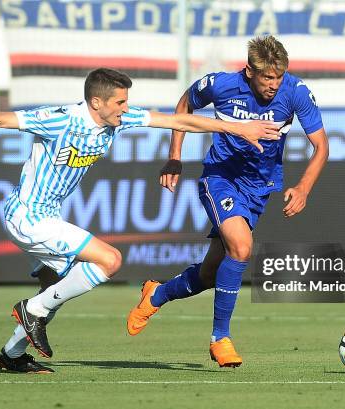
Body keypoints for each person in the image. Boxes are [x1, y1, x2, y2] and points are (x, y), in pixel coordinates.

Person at [0, 68, 280, 374]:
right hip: (27, 216)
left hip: (48, 216)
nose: (126, 109)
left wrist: (237, 128)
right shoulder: (60, 119)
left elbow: (180, 120)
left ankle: (12, 354)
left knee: (57, 287)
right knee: (109, 260)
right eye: (120, 102)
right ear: (96, 103)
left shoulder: (118, 120)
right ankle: (31, 311)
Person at [126, 36, 329, 367]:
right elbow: (184, 106)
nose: (273, 85)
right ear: (249, 71)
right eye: (267, 78)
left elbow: (321, 147)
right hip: (220, 178)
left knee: (209, 274)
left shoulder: (296, 92)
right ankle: (220, 337)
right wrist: (175, 156)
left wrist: (304, 188)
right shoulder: (220, 85)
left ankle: (156, 294)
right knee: (242, 248)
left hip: (259, 188)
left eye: (278, 77)